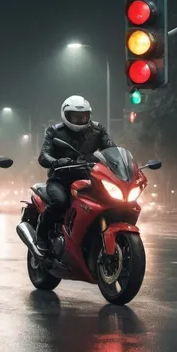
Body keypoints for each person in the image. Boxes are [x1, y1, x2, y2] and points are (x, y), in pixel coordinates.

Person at [36, 95, 116, 251]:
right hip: (61, 180)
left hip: (89, 179)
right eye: (75, 116)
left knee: (109, 202)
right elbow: (43, 155)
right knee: (60, 202)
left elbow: (111, 149)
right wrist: (56, 161)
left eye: (83, 116)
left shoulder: (97, 130)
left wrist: (118, 162)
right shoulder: (55, 131)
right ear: (66, 115)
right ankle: (42, 235)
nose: (80, 119)